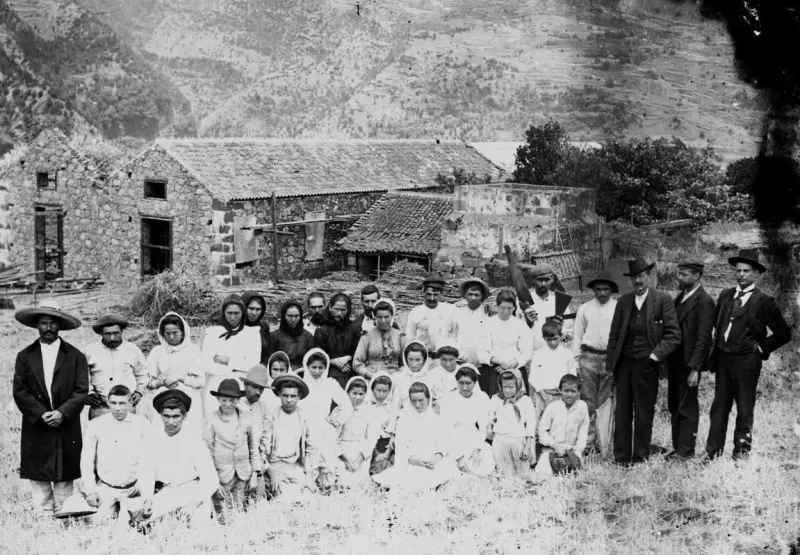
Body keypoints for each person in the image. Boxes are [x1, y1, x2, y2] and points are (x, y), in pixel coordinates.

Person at [703, 249, 791, 462]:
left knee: (744, 408)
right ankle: (712, 452)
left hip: (746, 362)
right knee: (719, 407)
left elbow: (783, 333)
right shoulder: (725, 296)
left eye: (746, 271)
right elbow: (714, 324)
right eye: (738, 271)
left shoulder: (764, 301)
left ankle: (740, 454)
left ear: (756, 274)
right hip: (723, 359)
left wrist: (761, 349)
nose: (741, 275)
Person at [12, 299, 88, 517]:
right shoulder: (25, 356)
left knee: (65, 474)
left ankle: (65, 515)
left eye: (52, 324)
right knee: (40, 473)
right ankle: (44, 517)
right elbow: (20, 391)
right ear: (37, 325)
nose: (48, 328)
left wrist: (62, 413)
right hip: (38, 424)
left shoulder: (75, 356)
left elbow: (82, 390)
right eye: (43, 323)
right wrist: (41, 413)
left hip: (66, 424)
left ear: (59, 325)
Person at [607, 258, 681, 466]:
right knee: (622, 412)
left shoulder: (662, 300)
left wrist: (654, 356)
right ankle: (621, 458)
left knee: (643, 412)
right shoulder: (623, 302)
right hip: (624, 366)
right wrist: (610, 366)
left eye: (641, 276)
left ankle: (640, 456)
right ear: (630, 280)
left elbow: (673, 335)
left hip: (647, 365)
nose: (638, 281)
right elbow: (614, 336)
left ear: (648, 277)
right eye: (634, 277)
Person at [121, 389, 218, 528]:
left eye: (176, 416)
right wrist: (147, 498)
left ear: (184, 416)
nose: (171, 422)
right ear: (160, 415)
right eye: (166, 416)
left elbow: (211, 479)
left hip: (193, 491)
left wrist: (196, 502)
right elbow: (146, 472)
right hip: (167, 493)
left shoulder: (194, 440)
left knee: (198, 526)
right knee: (129, 515)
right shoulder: (152, 438)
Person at [666, 260, 715, 462]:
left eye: (684, 274)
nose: (679, 278)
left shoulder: (704, 301)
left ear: (697, 276)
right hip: (675, 361)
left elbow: (704, 338)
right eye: (679, 274)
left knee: (687, 406)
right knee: (674, 405)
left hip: (689, 364)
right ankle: (678, 447)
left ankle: (686, 451)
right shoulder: (681, 297)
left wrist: (695, 368)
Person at [79, 385, 151, 520]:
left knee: (141, 518)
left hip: (134, 487)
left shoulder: (141, 423)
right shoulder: (96, 424)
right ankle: (112, 508)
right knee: (95, 521)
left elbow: (148, 463)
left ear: (130, 403)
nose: (117, 408)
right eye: (113, 403)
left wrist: (147, 496)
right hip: (108, 487)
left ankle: (126, 508)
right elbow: (86, 460)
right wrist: (91, 491)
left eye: (122, 403)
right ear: (108, 402)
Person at [372, 382, 457, 492]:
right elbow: (401, 447)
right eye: (413, 401)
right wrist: (413, 460)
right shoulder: (404, 419)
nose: (417, 405)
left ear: (428, 398)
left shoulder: (437, 419)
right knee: (408, 481)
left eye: (421, 400)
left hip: (432, 461)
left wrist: (436, 458)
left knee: (447, 477)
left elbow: (442, 445)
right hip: (411, 461)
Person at [571, 271, 619, 457]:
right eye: (598, 289)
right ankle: (588, 443)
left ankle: (604, 443)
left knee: (605, 402)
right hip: (589, 358)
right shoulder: (585, 308)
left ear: (612, 290)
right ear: (593, 290)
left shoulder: (618, 307)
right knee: (588, 402)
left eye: (606, 289)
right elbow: (577, 335)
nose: (602, 293)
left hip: (608, 359)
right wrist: (576, 361)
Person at [204, 378, 260, 519]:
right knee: (223, 514)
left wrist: (254, 474)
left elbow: (253, 447)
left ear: (238, 400)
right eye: (224, 400)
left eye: (232, 400)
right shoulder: (211, 420)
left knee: (241, 511)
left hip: (243, 474)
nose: (228, 404)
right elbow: (207, 452)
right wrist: (214, 481)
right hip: (222, 476)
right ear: (218, 399)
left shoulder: (246, 417)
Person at [201, 295, 261, 420]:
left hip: (240, 384)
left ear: (243, 313)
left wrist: (227, 360)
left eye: (236, 313)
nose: (233, 317)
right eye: (229, 313)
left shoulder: (252, 334)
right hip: (215, 384)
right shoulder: (213, 333)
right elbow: (206, 364)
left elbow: (253, 364)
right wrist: (237, 367)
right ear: (223, 313)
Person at [300, 348, 354, 488]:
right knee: (308, 465)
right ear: (306, 365)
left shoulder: (330, 383)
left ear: (326, 368)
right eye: (313, 367)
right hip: (303, 428)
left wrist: (337, 420)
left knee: (327, 464)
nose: (317, 372)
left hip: (324, 429)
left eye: (321, 368)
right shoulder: (300, 384)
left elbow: (347, 405)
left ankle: (327, 487)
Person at [145, 312, 205, 436]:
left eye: (175, 333)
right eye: (168, 333)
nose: (171, 337)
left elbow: (200, 382)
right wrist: (161, 382)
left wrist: (180, 378)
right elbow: (148, 382)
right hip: (163, 398)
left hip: (189, 399)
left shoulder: (193, 351)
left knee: (189, 435)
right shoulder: (157, 352)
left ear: (183, 332)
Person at [262, 375, 320, 500]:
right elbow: (262, 447)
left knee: (308, 497)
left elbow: (312, 448)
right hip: (274, 466)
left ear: (299, 396)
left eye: (293, 396)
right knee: (284, 498)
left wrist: (309, 476)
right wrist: (270, 472)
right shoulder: (271, 416)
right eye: (285, 395)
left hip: (294, 467)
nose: (289, 400)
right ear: (279, 395)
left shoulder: (304, 417)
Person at [84, 313, 148, 420]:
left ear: (122, 331)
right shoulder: (89, 351)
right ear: (101, 333)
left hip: (127, 407)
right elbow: (82, 377)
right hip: (100, 407)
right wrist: (88, 393)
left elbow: (143, 373)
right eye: (107, 334)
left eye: (116, 333)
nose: (112, 338)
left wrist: (139, 391)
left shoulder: (132, 350)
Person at [438, 364, 495, 477]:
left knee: (481, 465)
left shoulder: (481, 398)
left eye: (468, 383)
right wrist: (458, 456)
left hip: (474, 437)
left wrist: (477, 449)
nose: (464, 387)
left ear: (475, 383)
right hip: (453, 439)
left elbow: (482, 426)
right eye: (461, 383)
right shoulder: (449, 399)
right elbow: (446, 430)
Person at [477, 289, 533, 397]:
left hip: (516, 370)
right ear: (497, 306)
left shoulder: (520, 325)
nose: (506, 312)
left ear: (514, 308)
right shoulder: (487, 324)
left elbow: (527, 352)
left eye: (510, 308)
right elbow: (481, 351)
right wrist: (498, 361)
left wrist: (513, 364)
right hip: (493, 371)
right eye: (503, 308)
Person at [536, 375, 589, 476]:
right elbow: (542, 432)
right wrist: (554, 445)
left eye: (573, 391)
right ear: (560, 390)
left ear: (579, 392)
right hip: (552, 449)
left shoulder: (582, 406)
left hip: (572, 449)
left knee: (573, 475)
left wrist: (577, 451)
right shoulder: (552, 407)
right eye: (566, 390)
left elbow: (583, 431)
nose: (569, 394)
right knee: (543, 474)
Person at [487, 368, 536, 476]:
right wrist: (490, 429)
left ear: (518, 385)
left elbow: (530, 425)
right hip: (500, 441)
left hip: (518, 441)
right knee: (505, 474)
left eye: (511, 387)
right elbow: (490, 419)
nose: (508, 390)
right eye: (505, 387)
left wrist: (527, 446)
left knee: (522, 473)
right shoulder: (496, 400)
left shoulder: (525, 401)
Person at [528, 320, 577, 422]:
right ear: (544, 338)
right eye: (549, 340)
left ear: (561, 336)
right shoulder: (538, 354)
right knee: (541, 422)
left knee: (560, 423)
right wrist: (544, 396)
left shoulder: (567, 353)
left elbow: (572, 375)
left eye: (555, 339)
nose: (553, 342)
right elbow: (533, 377)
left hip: (561, 395)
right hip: (543, 394)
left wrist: (566, 393)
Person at [336, 377, 380, 488]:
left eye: (361, 394)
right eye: (354, 393)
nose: (357, 397)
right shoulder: (339, 410)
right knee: (344, 480)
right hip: (342, 451)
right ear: (347, 392)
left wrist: (360, 459)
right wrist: (344, 458)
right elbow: (333, 438)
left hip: (361, 450)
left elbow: (371, 439)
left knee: (360, 482)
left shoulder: (371, 411)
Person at [314, 292, 362, 389]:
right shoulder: (322, 329)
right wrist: (333, 361)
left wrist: (348, 358)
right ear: (330, 307)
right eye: (336, 309)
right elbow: (318, 353)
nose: (339, 313)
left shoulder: (354, 328)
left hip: (349, 369)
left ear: (348, 310)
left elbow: (359, 350)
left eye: (343, 310)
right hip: (328, 369)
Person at [521, 264, 574, 352]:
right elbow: (516, 331)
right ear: (533, 280)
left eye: (547, 280)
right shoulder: (525, 301)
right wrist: (528, 323)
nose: (543, 284)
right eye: (540, 280)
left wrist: (561, 331)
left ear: (552, 279)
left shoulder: (559, 300)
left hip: (556, 353)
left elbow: (569, 332)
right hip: (533, 353)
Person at [405, 274, 459, 355]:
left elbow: (456, 336)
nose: (432, 298)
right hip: (423, 358)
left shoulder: (450, 311)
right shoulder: (415, 313)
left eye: (436, 295)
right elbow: (409, 338)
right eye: (429, 294)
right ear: (424, 293)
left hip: (444, 358)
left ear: (441, 294)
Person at [240, 364, 271, 501]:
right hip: (239, 460)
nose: (258, 392)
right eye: (254, 387)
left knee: (258, 500)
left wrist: (260, 464)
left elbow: (266, 436)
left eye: (261, 389)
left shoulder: (263, 407)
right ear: (246, 385)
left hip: (258, 460)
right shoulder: (236, 404)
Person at [353, 298, 405, 379]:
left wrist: (397, 375)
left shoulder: (399, 336)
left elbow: (405, 363)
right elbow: (357, 363)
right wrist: (370, 375)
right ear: (375, 317)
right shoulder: (367, 336)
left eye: (386, 317)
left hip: (395, 378)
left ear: (392, 316)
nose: (383, 321)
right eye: (380, 317)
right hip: (372, 377)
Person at [391, 341, 445, 414]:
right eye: (410, 359)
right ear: (405, 359)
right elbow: (393, 406)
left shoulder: (432, 378)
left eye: (418, 360)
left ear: (424, 359)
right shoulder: (397, 378)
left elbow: (441, 401)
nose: (414, 364)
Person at [454, 277, 493, 366]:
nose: (473, 298)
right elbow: (453, 337)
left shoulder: (488, 313)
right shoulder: (457, 313)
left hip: (483, 364)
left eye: (476, 295)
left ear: (482, 296)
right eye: (470, 294)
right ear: (465, 295)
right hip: (461, 362)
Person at [269, 300, 315, 371]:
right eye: (290, 316)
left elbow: (311, 361)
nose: (293, 319)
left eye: (296, 316)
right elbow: (270, 360)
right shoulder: (274, 336)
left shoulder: (308, 337)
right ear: (284, 316)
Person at [367, 371, 398, 475]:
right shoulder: (366, 407)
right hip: (371, 447)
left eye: (385, 391)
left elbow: (394, 432)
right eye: (378, 390)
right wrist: (376, 453)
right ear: (372, 389)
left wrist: (387, 453)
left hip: (388, 446)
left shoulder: (392, 408)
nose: (381, 394)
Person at [241, 291, 272, 365]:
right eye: (251, 308)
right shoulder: (236, 326)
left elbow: (267, 354)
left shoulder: (263, 327)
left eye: (258, 309)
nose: (254, 313)